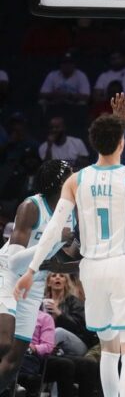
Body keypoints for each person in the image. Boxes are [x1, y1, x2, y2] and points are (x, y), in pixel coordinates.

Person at [13, 110, 125, 397]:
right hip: (124, 265)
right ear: (122, 142)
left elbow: (53, 230)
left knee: (109, 350)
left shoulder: (76, 180)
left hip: (92, 269)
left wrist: (31, 270)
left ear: (93, 143)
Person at [0, 160, 74, 394]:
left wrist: (86, 262)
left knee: (14, 361)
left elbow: (65, 260)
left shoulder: (72, 212)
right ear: (60, 183)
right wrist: (54, 237)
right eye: (71, 176)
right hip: (8, 275)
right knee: (3, 343)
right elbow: (14, 260)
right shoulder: (31, 207)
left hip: (35, 283)